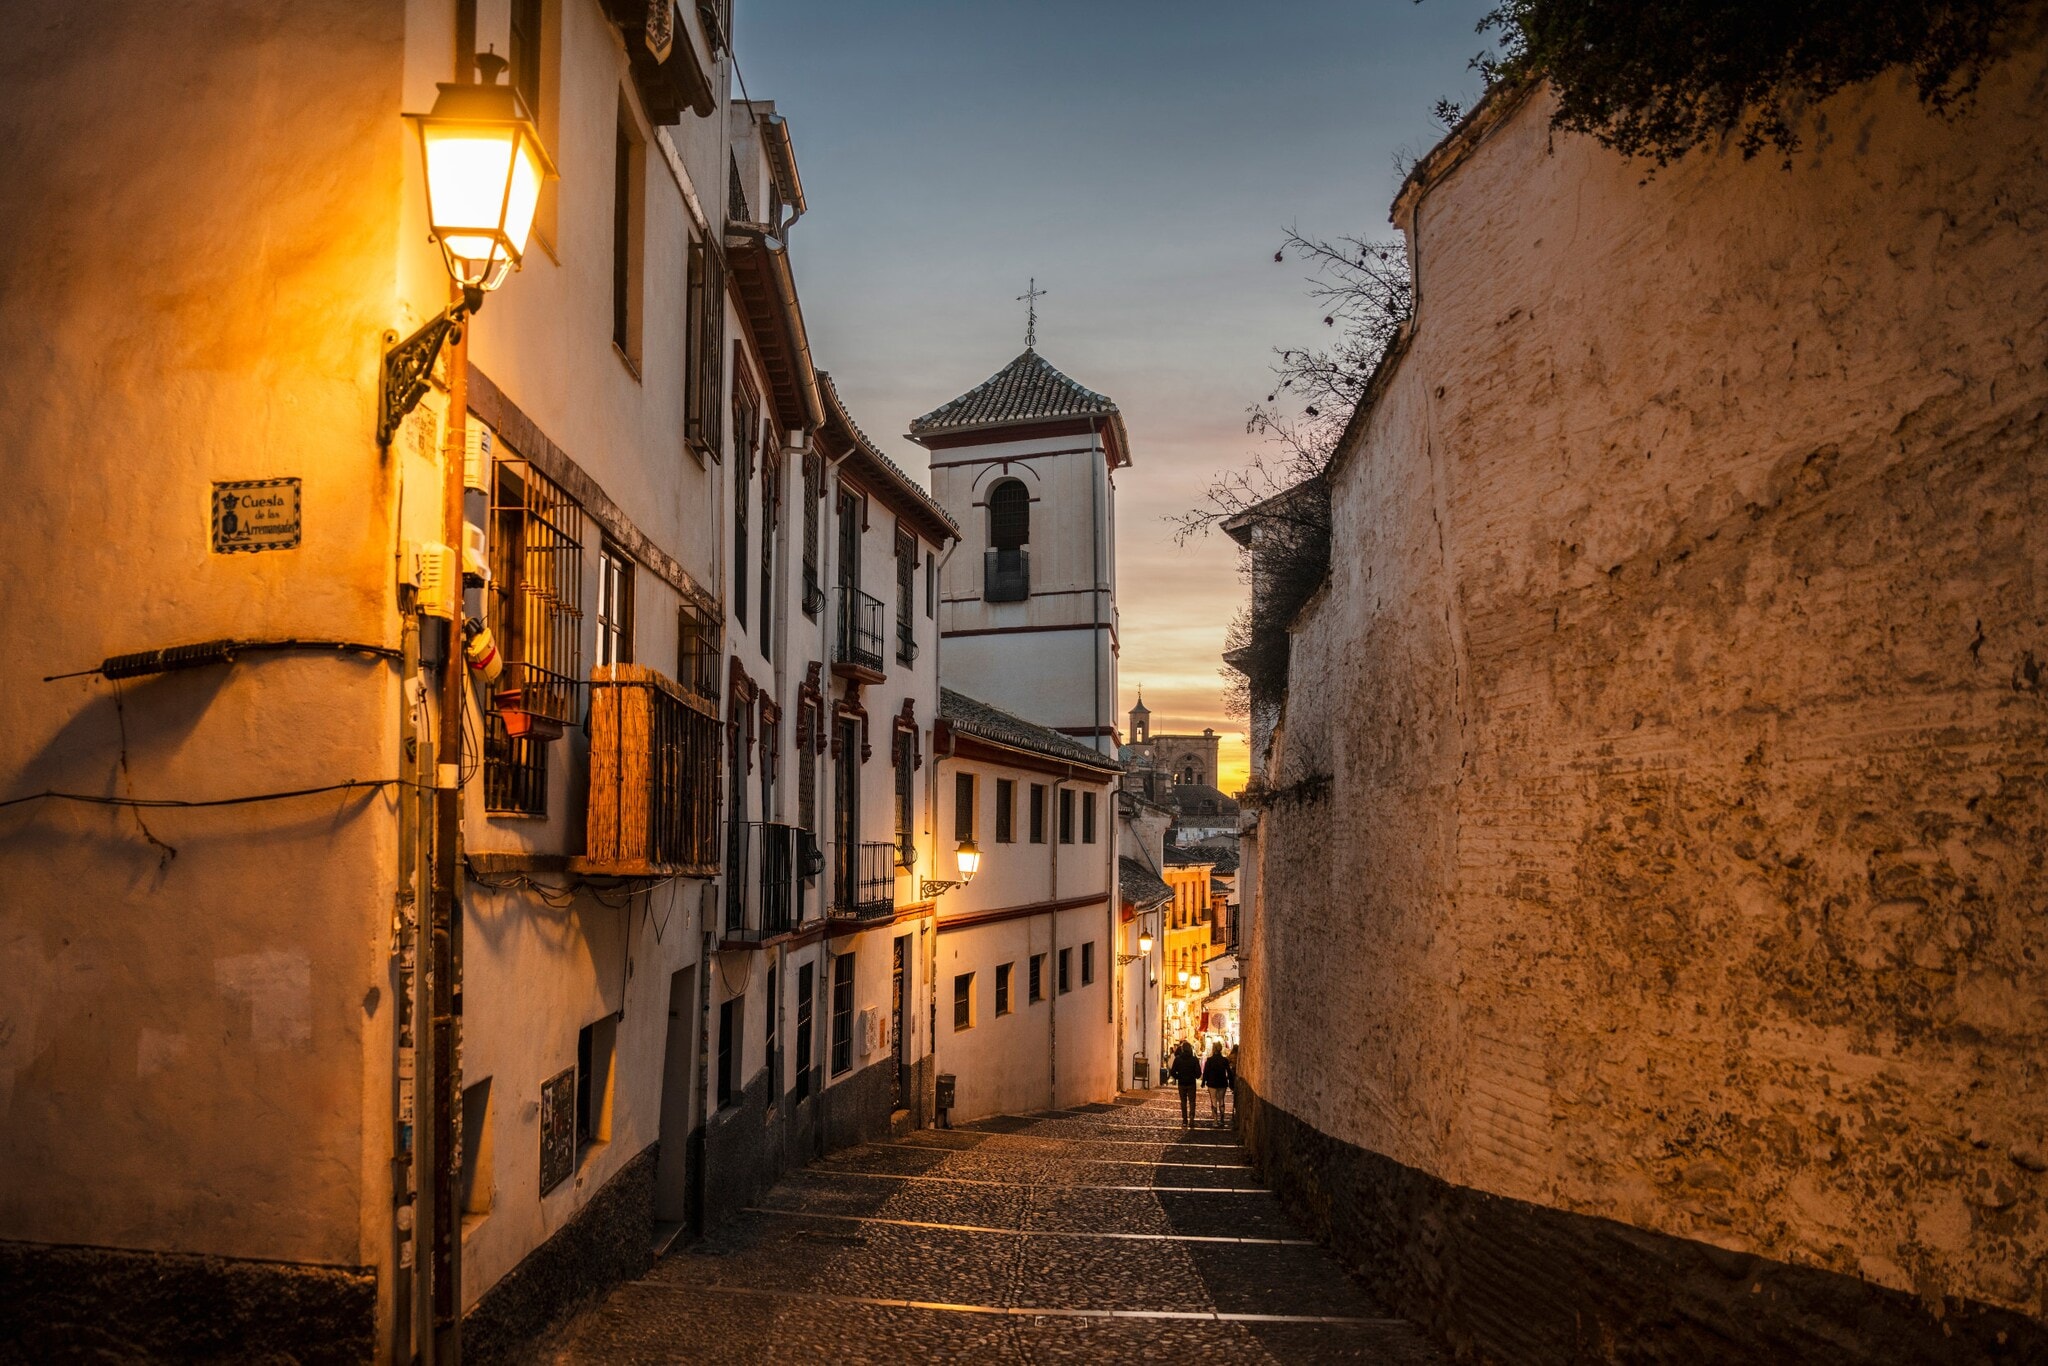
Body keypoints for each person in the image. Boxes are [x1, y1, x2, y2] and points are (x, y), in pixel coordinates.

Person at [1168, 1041, 1201, 1127]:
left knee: (1183, 1102)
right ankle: (1191, 1117)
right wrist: (1194, 1076)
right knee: (1192, 1101)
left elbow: (1172, 1071)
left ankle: (1184, 1120)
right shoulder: (1194, 1059)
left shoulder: (1178, 1059)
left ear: (1182, 1049)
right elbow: (1198, 1073)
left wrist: (1178, 1077)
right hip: (1191, 1083)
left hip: (1182, 1083)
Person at [1202, 1042, 1233, 1126]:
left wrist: (1203, 1081)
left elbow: (1206, 1072)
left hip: (1212, 1083)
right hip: (1222, 1082)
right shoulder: (1225, 1060)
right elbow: (1229, 1072)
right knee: (1222, 1100)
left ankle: (1215, 1120)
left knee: (1214, 1100)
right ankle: (1222, 1120)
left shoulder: (1210, 1060)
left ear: (1213, 1049)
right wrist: (1231, 1082)